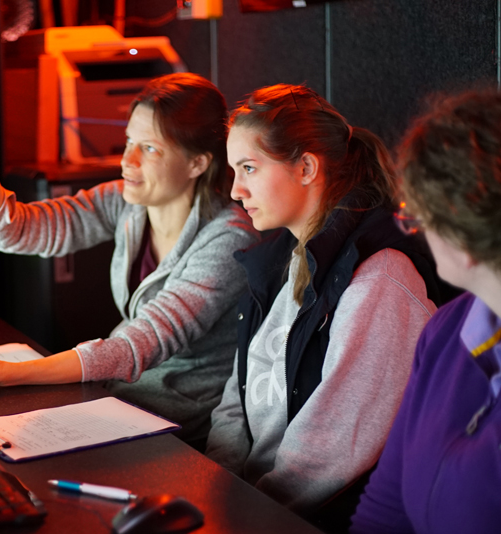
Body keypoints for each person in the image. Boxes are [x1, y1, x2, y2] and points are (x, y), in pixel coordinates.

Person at [0, 73, 259, 444]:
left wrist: (0, 372)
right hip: (122, 396)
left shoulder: (229, 239)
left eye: (150, 149)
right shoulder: (124, 201)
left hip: (181, 426)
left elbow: (138, 344)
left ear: (197, 163)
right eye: (128, 142)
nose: (127, 161)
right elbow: (23, 231)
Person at [205, 84, 448, 527]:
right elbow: (232, 402)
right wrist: (216, 490)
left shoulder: (380, 278)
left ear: (306, 168)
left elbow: (331, 452)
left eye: (249, 168)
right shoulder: (280, 256)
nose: (236, 190)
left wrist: (243, 517)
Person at [350, 90, 501, 533]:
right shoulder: (444, 332)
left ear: (463, 227)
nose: (414, 228)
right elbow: (384, 508)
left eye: (415, 214)